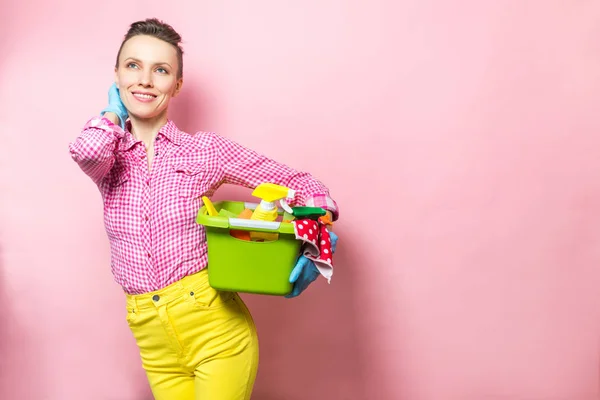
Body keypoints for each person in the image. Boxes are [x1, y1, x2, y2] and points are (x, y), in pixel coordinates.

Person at [68, 18, 340, 400]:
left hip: (216, 329)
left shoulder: (205, 151)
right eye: (133, 66)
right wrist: (113, 114)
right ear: (116, 75)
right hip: (153, 341)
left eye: (160, 70)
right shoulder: (109, 156)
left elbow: (305, 186)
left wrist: (319, 238)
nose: (145, 80)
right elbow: (86, 150)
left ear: (176, 84)